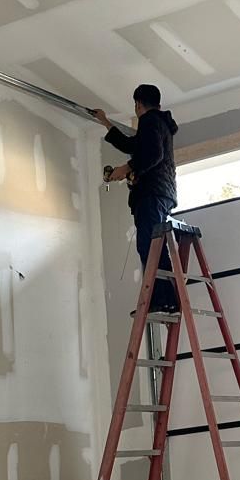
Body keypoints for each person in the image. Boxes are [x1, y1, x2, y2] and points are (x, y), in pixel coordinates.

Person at [91, 85, 180, 313]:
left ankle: (164, 300)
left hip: (152, 194)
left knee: (148, 247)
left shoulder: (150, 121)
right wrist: (106, 123)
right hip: (163, 192)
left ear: (138, 104)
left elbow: (151, 155)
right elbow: (133, 146)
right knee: (154, 246)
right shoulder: (159, 124)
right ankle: (169, 299)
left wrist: (127, 168)